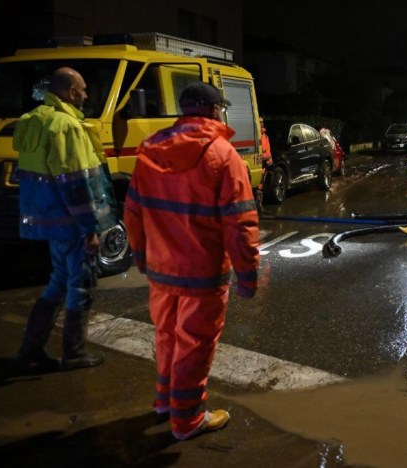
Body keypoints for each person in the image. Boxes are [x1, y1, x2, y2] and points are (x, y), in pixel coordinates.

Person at [124, 81, 260, 441]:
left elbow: (133, 211)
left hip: (161, 268)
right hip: (202, 272)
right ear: (215, 110)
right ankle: (186, 420)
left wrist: (141, 256)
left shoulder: (151, 147)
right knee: (195, 345)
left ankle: (165, 402)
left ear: (184, 109)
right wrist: (248, 276)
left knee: (167, 337)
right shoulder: (223, 154)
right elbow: (240, 223)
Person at [13, 67, 117, 372]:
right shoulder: (66, 126)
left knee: (58, 282)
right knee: (80, 284)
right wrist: (89, 229)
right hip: (72, 224)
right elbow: (74, 183)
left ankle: (31, 347)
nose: (86, 95)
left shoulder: (36, 122)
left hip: (51, 221)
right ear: (71, 92)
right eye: (83, 89)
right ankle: (74, 352)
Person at [256, 116, 273, 212]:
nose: (262, 123)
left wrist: (270, 163)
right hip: (260, 163)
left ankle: (260, 206)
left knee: (262, 186)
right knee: (259, 186)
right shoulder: (257, 136)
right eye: (260, 122)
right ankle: (258, 207)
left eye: (262, 122)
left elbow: (268, 151)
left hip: (265, 165)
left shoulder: (265, 136)